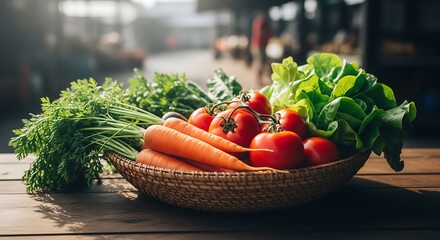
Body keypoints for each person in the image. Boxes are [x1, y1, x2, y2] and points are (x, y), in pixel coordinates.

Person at [250, 10, 273, 87]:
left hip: (257, 45)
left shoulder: (257, 21)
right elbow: (260, 33)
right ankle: (259, 80)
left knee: (259, 62)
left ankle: (259, 79)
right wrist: (269, 34)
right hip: (259, 45)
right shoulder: (261, 22)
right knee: (260, 63)